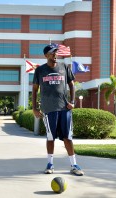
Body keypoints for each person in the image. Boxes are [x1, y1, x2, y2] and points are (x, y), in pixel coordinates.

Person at [32, 43, 84, 176]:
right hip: (49, 109)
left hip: (64, 108)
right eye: (52, 53)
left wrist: (72, 102)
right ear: (46, 55)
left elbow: (72, 85)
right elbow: (34, 89)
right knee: (51, 137)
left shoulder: (64, 67)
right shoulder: (40, 70)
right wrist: (35, 108)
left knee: (68, 137)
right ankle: (50, 164)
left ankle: (74, 165)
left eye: (56, 53)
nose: (55, 55)